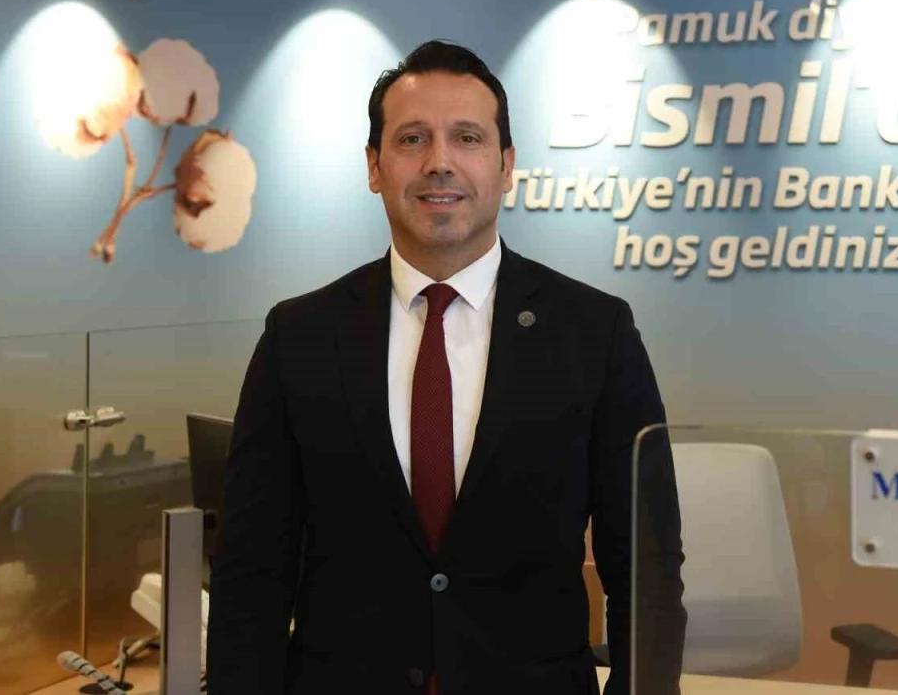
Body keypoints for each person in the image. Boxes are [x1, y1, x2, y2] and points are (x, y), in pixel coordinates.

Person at [205, 40, 687, 695]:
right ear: (373, 167)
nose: (439, 162)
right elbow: (250, 570)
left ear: (506, 164)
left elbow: (646, 567)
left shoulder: (595, 332)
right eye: (412, 139)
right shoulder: (299, 336)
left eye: (467, 137)